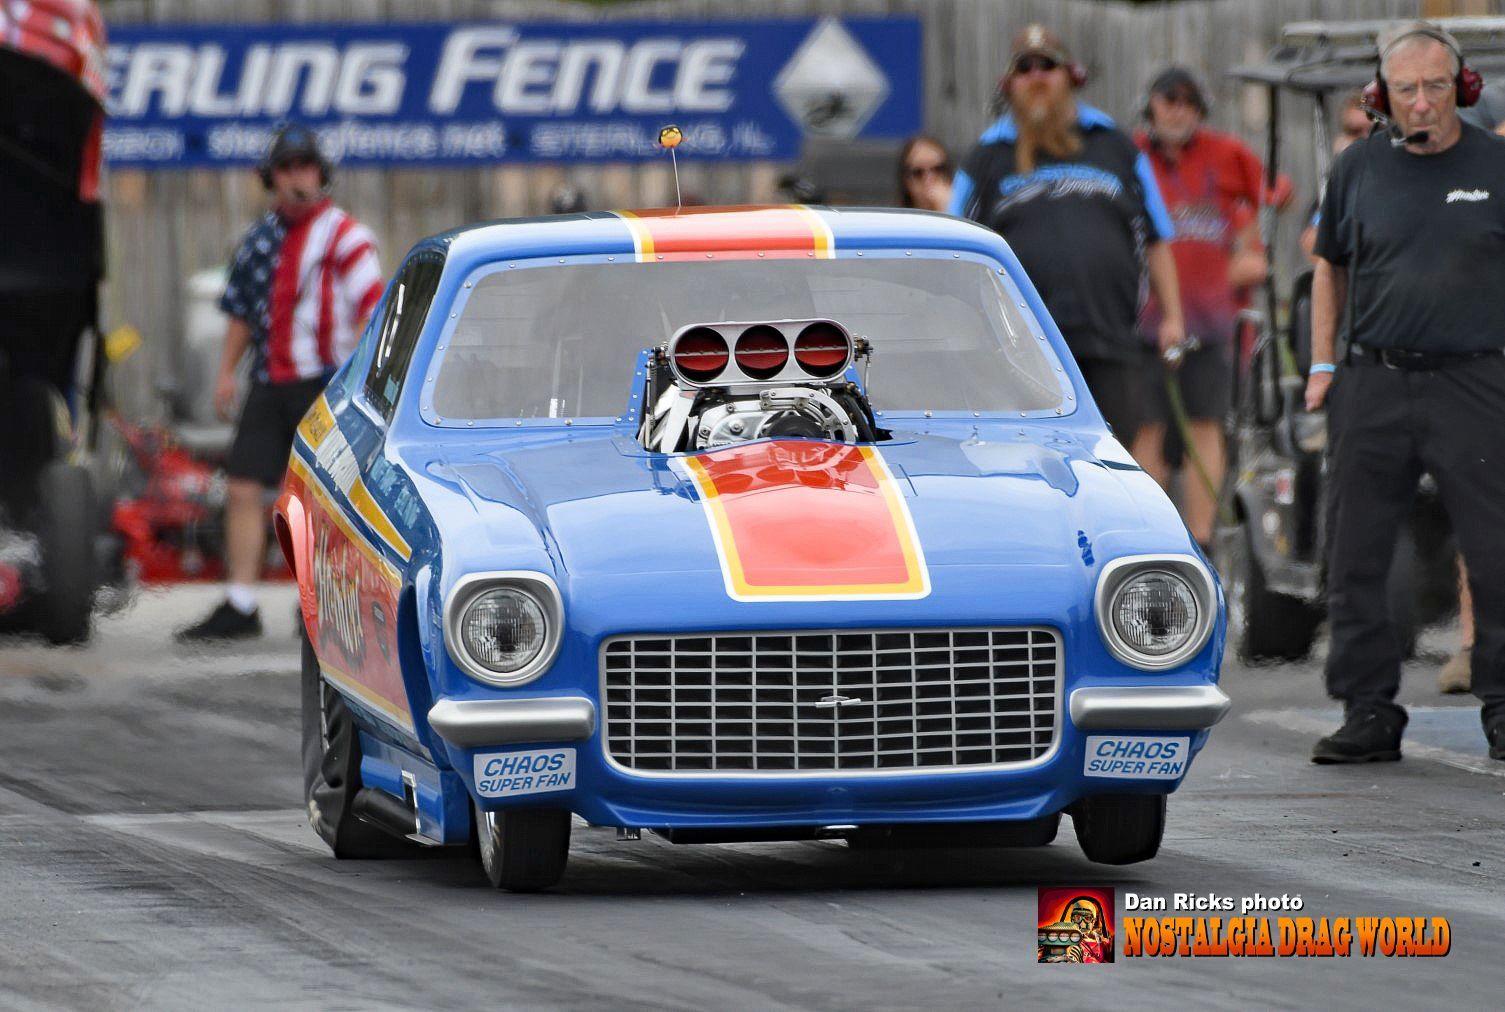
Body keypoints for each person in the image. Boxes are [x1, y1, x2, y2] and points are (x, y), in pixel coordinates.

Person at [1306, 22, 1505, 763]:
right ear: (1381, 95)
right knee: (1354, 550)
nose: (1421, 102)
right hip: (1374, 380)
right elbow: (1328, 267)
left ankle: (1503, 707)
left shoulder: (1497, 165)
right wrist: (1321, 366)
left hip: (1475, 380)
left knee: (1496, 551)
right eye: (1405, 89)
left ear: (1463, 87)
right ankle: (1367, 711)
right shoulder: (1356, 167)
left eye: (1435, 86)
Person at [177, 124, 384, 642]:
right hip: (271, 380)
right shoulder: (259, 240)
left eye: (305, 168)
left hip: (325, 383)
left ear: (320, 174)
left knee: (324, 497)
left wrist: (361, 381)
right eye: (287, 169)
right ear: (272, 179)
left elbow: (371, 310)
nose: (297, 179)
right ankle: (241, 602)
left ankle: (319, 602)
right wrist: (226, 373)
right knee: (244, 487)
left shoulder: (346, 236)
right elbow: (241, 312)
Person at [949, 24, 1183, 443]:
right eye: (1025, 68)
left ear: (1072, 76)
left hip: (1110, 339)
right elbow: (954, 248)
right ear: (1009, 84)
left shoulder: (1116, 146)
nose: (1037, 77)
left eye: (1048, 66)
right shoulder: (985, 156)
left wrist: (1174, 318)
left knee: (1111, 456)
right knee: (1033, 458)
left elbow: (1156, 238)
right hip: (1019, 354)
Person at [1133, 67, 1289, 550]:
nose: (1177, 110)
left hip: (1210, 323)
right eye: (1168, 99)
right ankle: (1148, 538)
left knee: (1205, 426)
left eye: (1188, 101)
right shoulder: (1131, 155)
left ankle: (1201, 541)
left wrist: (1249, 247)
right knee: (1144, 429)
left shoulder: (1226, 154)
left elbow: (1275, 194)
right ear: (1151, 105)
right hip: (1143, 323)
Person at [897, 134, 953, 211]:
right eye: (918, 172)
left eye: (937, 169)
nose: (929, 179)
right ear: (906, 182)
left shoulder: (966, 216)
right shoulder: (897, 218)